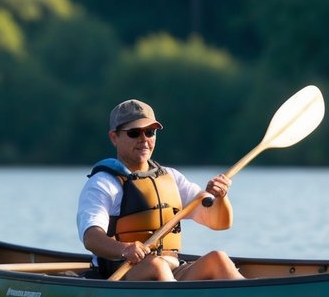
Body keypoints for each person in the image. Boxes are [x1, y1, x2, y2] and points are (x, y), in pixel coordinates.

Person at [77, 99, 244, 281]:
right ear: (114, 137)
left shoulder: (171, 177)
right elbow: (91, 237)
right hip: (124, 272)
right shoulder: (103, 183)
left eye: (150, 132)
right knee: (156, 266)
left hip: (172, 269)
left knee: (218, 259)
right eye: (134, 133)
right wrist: (125, 249)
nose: (144, 140)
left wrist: (221, 198)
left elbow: (219, 223)